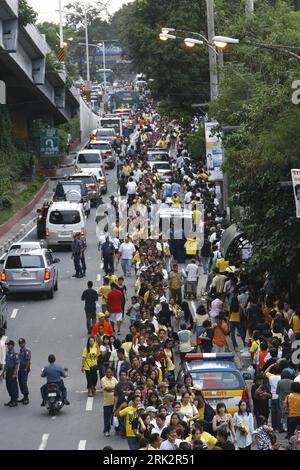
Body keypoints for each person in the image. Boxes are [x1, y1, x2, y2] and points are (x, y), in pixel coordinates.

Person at [101, 367, 118, 437]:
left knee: (116, 417)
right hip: (107, 403)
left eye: (110, 372)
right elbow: (106, 388)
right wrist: (114, 388)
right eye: (107, 372)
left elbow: (118, 387)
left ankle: (117, 430)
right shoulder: (103, 379)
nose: (109, 373)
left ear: (112, 373)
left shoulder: (114, 379)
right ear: (105, 373)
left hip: (115, 402)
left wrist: (113, 389)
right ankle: (106, 430)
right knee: (107, 418)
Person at [4, 340, 19, 407]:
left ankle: (15, 401)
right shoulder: (7, 353)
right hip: (8, 371)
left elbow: (16, 364)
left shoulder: (15, 354)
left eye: (9, 345)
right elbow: (6, 364)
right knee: (8, 386)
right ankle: (11, 399)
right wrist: (3, 372)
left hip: (12, 371)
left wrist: (15, 373)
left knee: (13, 386)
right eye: (7, 345)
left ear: (12, 345)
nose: (8, 346)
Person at [17, 338, 31, 405]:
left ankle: (26, 398)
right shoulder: (21, 350)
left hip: (25, 368)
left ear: (24, 343)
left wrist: (26, 368)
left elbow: (28, 360)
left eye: (22, 343)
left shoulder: (26, 350)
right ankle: (24, 396)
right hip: (21, 368)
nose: (21, 344)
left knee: (23, 382)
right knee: (20, 381)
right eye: (20, 343)